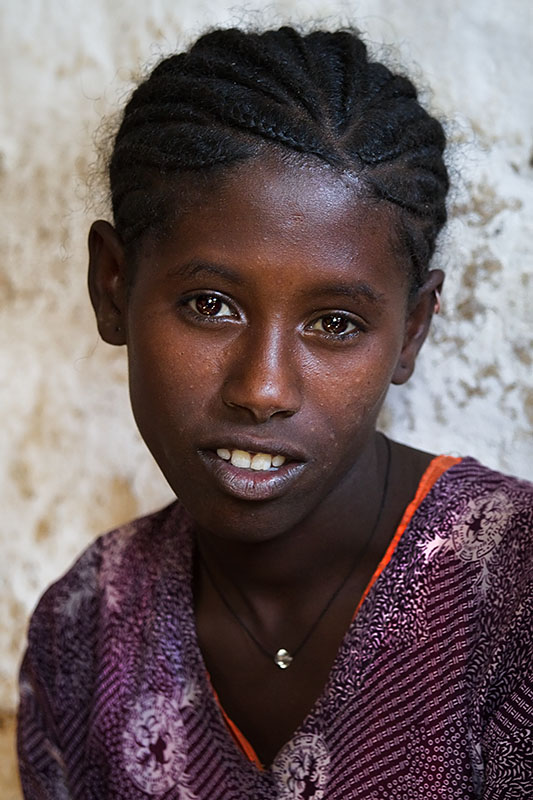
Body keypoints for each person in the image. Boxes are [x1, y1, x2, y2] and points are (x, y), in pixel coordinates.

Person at [17, 25, 533, 800]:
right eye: (209, 304)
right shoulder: (83, 637)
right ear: (113, 284)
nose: (262, 389)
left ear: (412, 331)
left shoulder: (512, 599)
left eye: (334, 324)